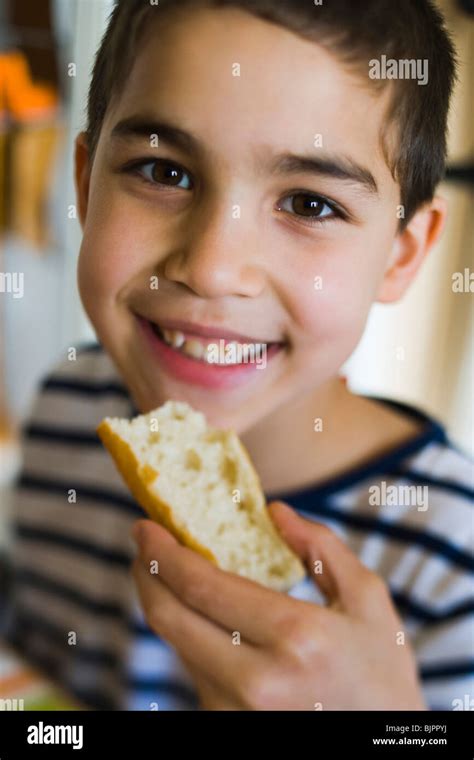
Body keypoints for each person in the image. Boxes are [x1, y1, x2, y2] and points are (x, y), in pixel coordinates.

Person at [2, 0, 472, 710]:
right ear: (83, 186)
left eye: (311, 205)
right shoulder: (68, 405)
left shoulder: (452, 563)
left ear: (400, 258)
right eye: (164, 171)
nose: (215, 268)